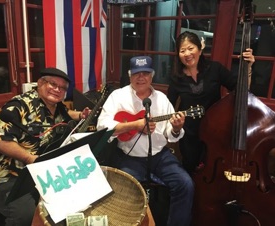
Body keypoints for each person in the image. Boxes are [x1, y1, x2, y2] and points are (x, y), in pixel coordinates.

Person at [0, 67, 91, 226]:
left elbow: (67, 114)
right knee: (26, 215)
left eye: (62, 88)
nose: (57, 90)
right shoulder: (20, 105)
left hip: (40, 170)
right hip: (8, 173)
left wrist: (80, 115)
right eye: (53, 84)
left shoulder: (57, 106)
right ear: (40, 83)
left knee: (70, 199)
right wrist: (29, 158)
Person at [97, 56, 194, 226]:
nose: (141, 77)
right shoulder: (118, 96)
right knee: (123, 192)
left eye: (145, 73)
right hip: (129, 156)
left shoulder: (162, 99)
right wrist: (135, 125)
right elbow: (102, 127)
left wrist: (177, 128)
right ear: (129, 75)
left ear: (152, 76)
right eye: (136, 73)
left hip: (160, 156)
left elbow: (170, 135)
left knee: (186, 184)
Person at [167, 31, 255, 174]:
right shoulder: (177, 78)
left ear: (200, 49)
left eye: (191, 48)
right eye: (182, 51)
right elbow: (168, 106)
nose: (187, 54)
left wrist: (248, 67)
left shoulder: (215, 69)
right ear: (178, 55)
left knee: (214, 169)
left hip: (215, 131)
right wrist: (174, 125)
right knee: (190, 168)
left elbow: (241, 90)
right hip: (190, 135)